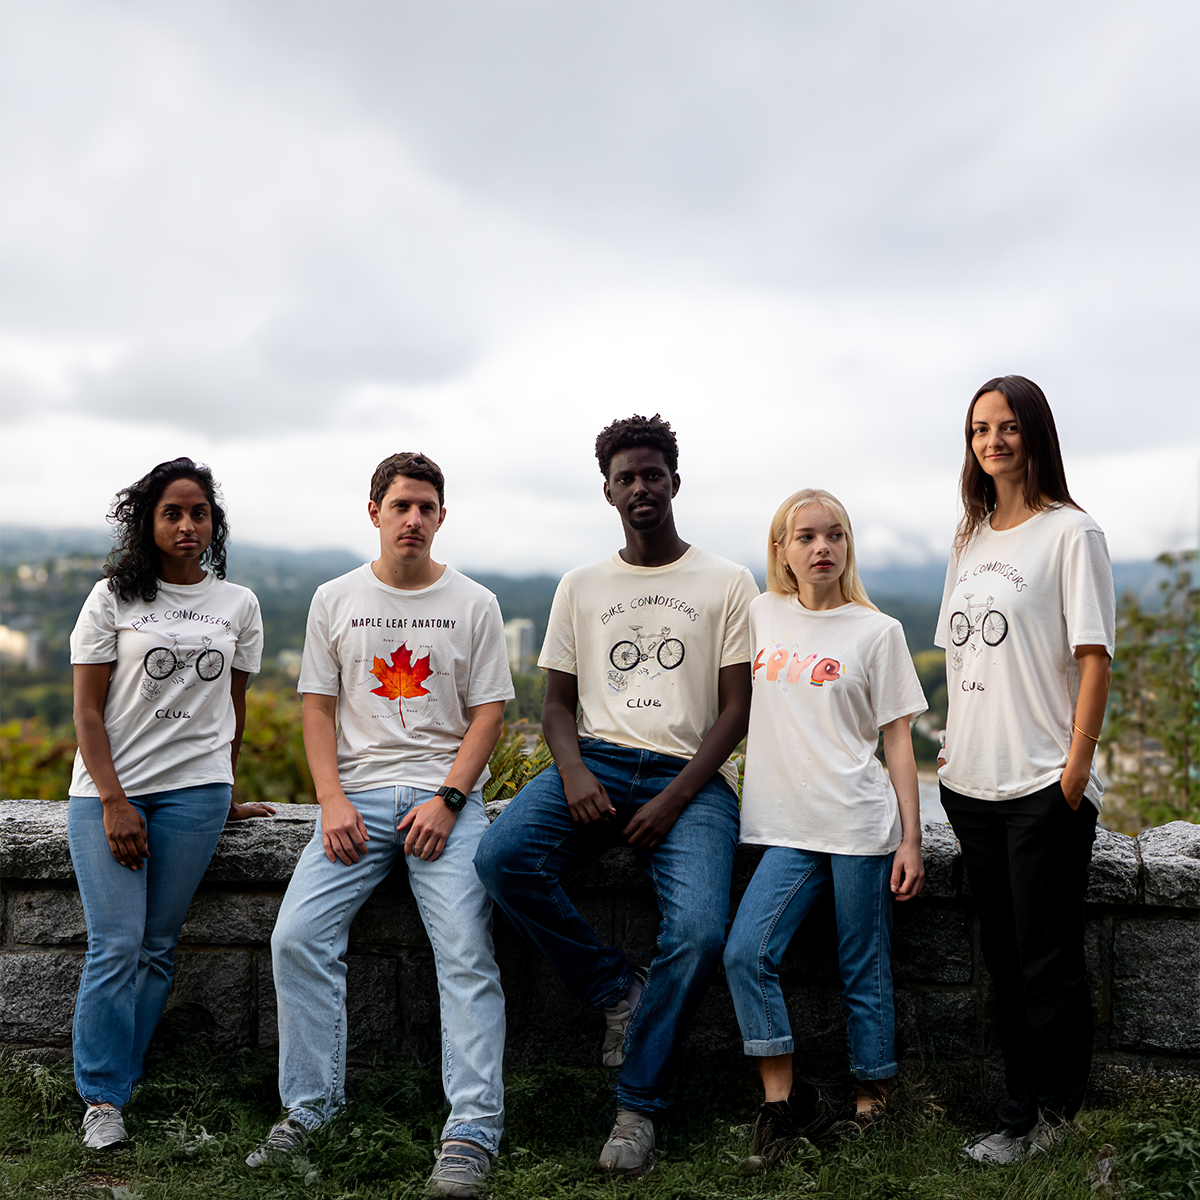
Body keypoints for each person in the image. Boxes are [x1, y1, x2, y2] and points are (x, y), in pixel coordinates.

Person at [474, 413, 758, 1176]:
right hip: (595, 759)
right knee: (501, 857)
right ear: (608, 490)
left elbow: (736, 710)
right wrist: (572, 774)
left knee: (698, 930)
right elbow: (556, 706)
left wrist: (673, 800)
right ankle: (615, 989)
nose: (640, 487)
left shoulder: (727, 581)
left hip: (687, 777)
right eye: (626, 477)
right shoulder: (582, 585)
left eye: (652, 474)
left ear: (674, 481)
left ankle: (638, 1108)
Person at [247, 452, 512, 1199]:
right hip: (356, 801)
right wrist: (330, 800)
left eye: (427, 507)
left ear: (441, 517)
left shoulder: (475, 603)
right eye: (400, 506)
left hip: (446, 803)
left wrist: (451, 799)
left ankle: (470, 1131)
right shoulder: (335, 598)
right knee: (297, 935)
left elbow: (490, 712)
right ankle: (310, 1106)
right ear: (374, 512)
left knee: (465, 953)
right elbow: (318, 707)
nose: (413, 520)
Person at [68, 457, 271, 1151]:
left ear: (214, 523)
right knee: (115, 945)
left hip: (197, 795)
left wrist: (228, 791)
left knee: (157, 948)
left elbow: (233, 711)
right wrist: (112, 800)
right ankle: (101, 1099)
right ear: (149, 523)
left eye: (199, 513)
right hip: (112, 791)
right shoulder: (113, 598)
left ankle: (119, 1088)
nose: (187, 525)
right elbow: (88, 714)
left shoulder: (238, 604)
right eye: (172, 513)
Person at [936, 376, 1114, 1164]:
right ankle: (1017, 1111)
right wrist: (950, 747)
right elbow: (964, 651)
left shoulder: (1071, 533)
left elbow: (1093, 656)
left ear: (1035, 434)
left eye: (1008, 427)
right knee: (1004, 962)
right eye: (980, 429)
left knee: (1046, 961)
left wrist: (1075, 769)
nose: (993, 441)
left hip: (1043, 782)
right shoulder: (968, 539)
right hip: (971, 783)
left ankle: (1053, 1114)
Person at [723, 488, 927, 1167]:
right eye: (806, 536)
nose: (822, 548)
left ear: (848, 546)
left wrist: (910, 838)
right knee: (745, 953)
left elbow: (898, 741)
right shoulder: (760, 613)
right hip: (787, 827)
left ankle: (873, 1100)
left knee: (861, 964)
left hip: (858, 822)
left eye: (834, 535)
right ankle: (783, 1104)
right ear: (781, 549)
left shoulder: (877, 631)